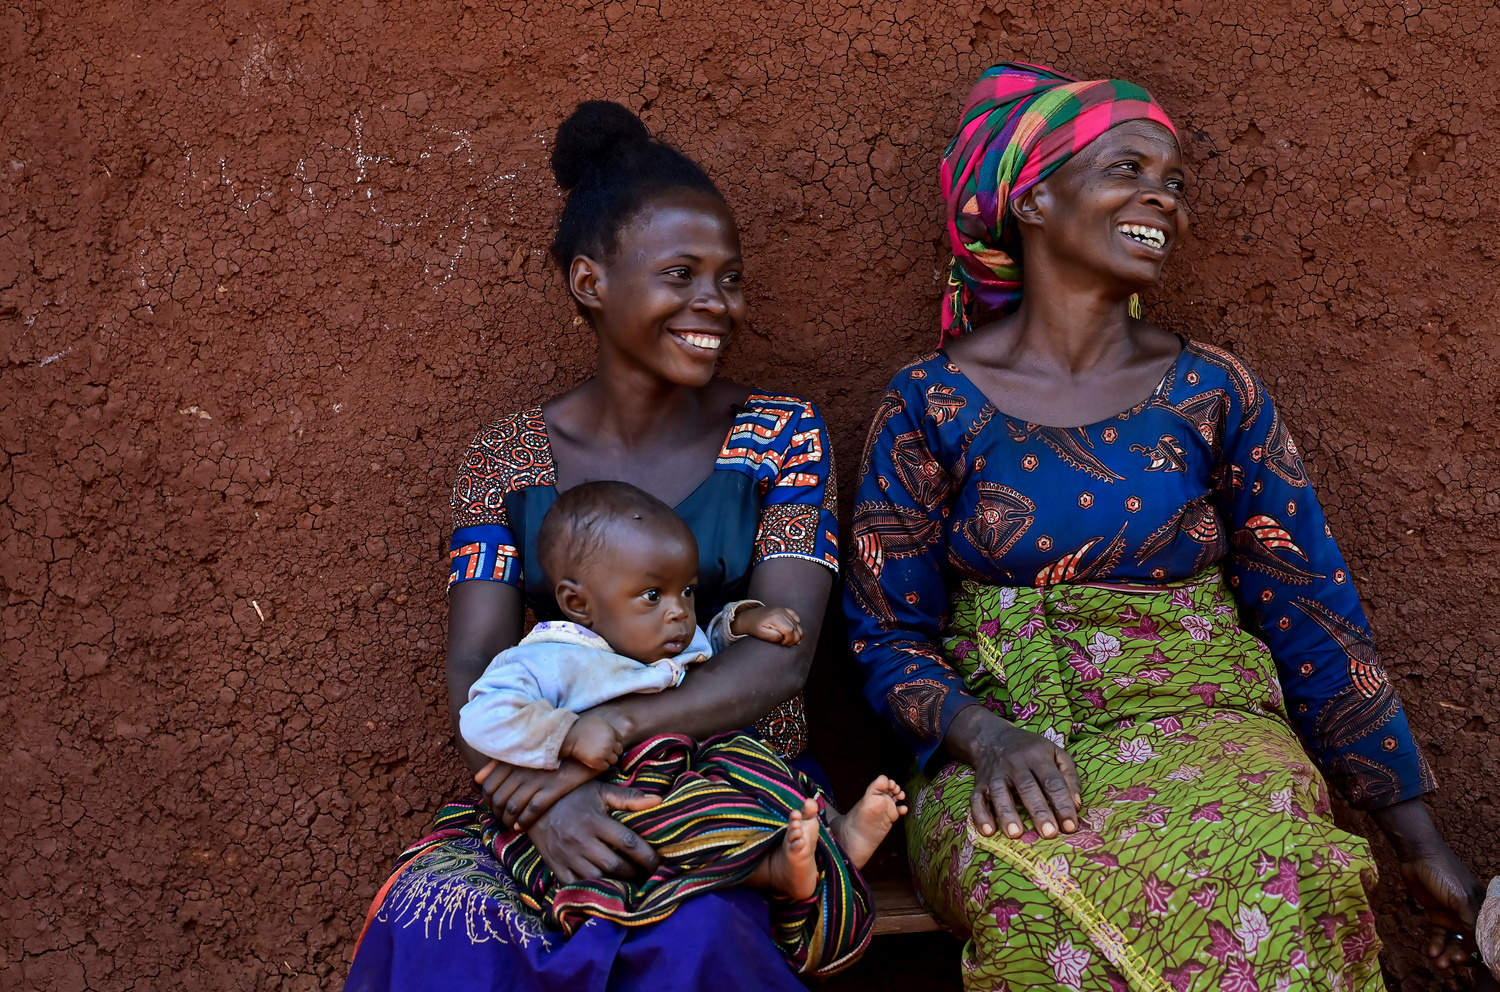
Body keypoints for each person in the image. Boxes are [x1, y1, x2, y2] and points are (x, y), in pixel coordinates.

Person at [844, 62, 1487, 991]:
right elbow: (885, 633)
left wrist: (1420, 843)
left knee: (1278, 863)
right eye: (1126, 171)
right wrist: (984, 738)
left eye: (1173, 182)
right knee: (1040, 908)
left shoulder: (1213, 392)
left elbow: (1312, 615)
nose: (1162, 200)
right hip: (1015, 760)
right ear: (1029, 200)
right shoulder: (931, 402)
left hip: (1216, 736)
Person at [345, 100, 847, 991]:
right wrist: (552, 802)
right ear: (589, 281)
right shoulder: (505, 460)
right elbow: (475, 664)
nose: (714, 303)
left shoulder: (783, 436)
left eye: (728, 278)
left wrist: (609, 736)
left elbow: (779, 662)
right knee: (440, 921)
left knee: (693, 942)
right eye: (681, 273)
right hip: (543, 785)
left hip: (732, 784)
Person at [457, 480, 904, 969]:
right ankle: (769, 867)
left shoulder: (667, 634)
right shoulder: (548, 660)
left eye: (688, 591)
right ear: (579, 604)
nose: (679, 612)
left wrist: (741, 622)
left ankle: (833, 831)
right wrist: (565, 734)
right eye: (653, 595)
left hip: (690, 760)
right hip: (620, 787)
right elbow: (483, 716)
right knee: (691, 812)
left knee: (756, 762)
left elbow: (703, 641)